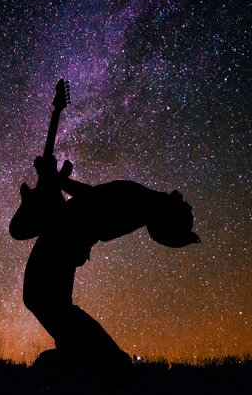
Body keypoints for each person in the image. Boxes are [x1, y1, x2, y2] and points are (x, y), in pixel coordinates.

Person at [10, 154, 199, 384]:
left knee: (46, 301)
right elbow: (90, 201)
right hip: (64, 238)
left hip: (64, 239)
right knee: (49, 302)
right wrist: (54, 181)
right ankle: (96, 357)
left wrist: (54, 180)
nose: (185, 202)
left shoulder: (141, 205)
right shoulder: (140, 203)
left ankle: (105, 361)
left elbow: (90, 203)